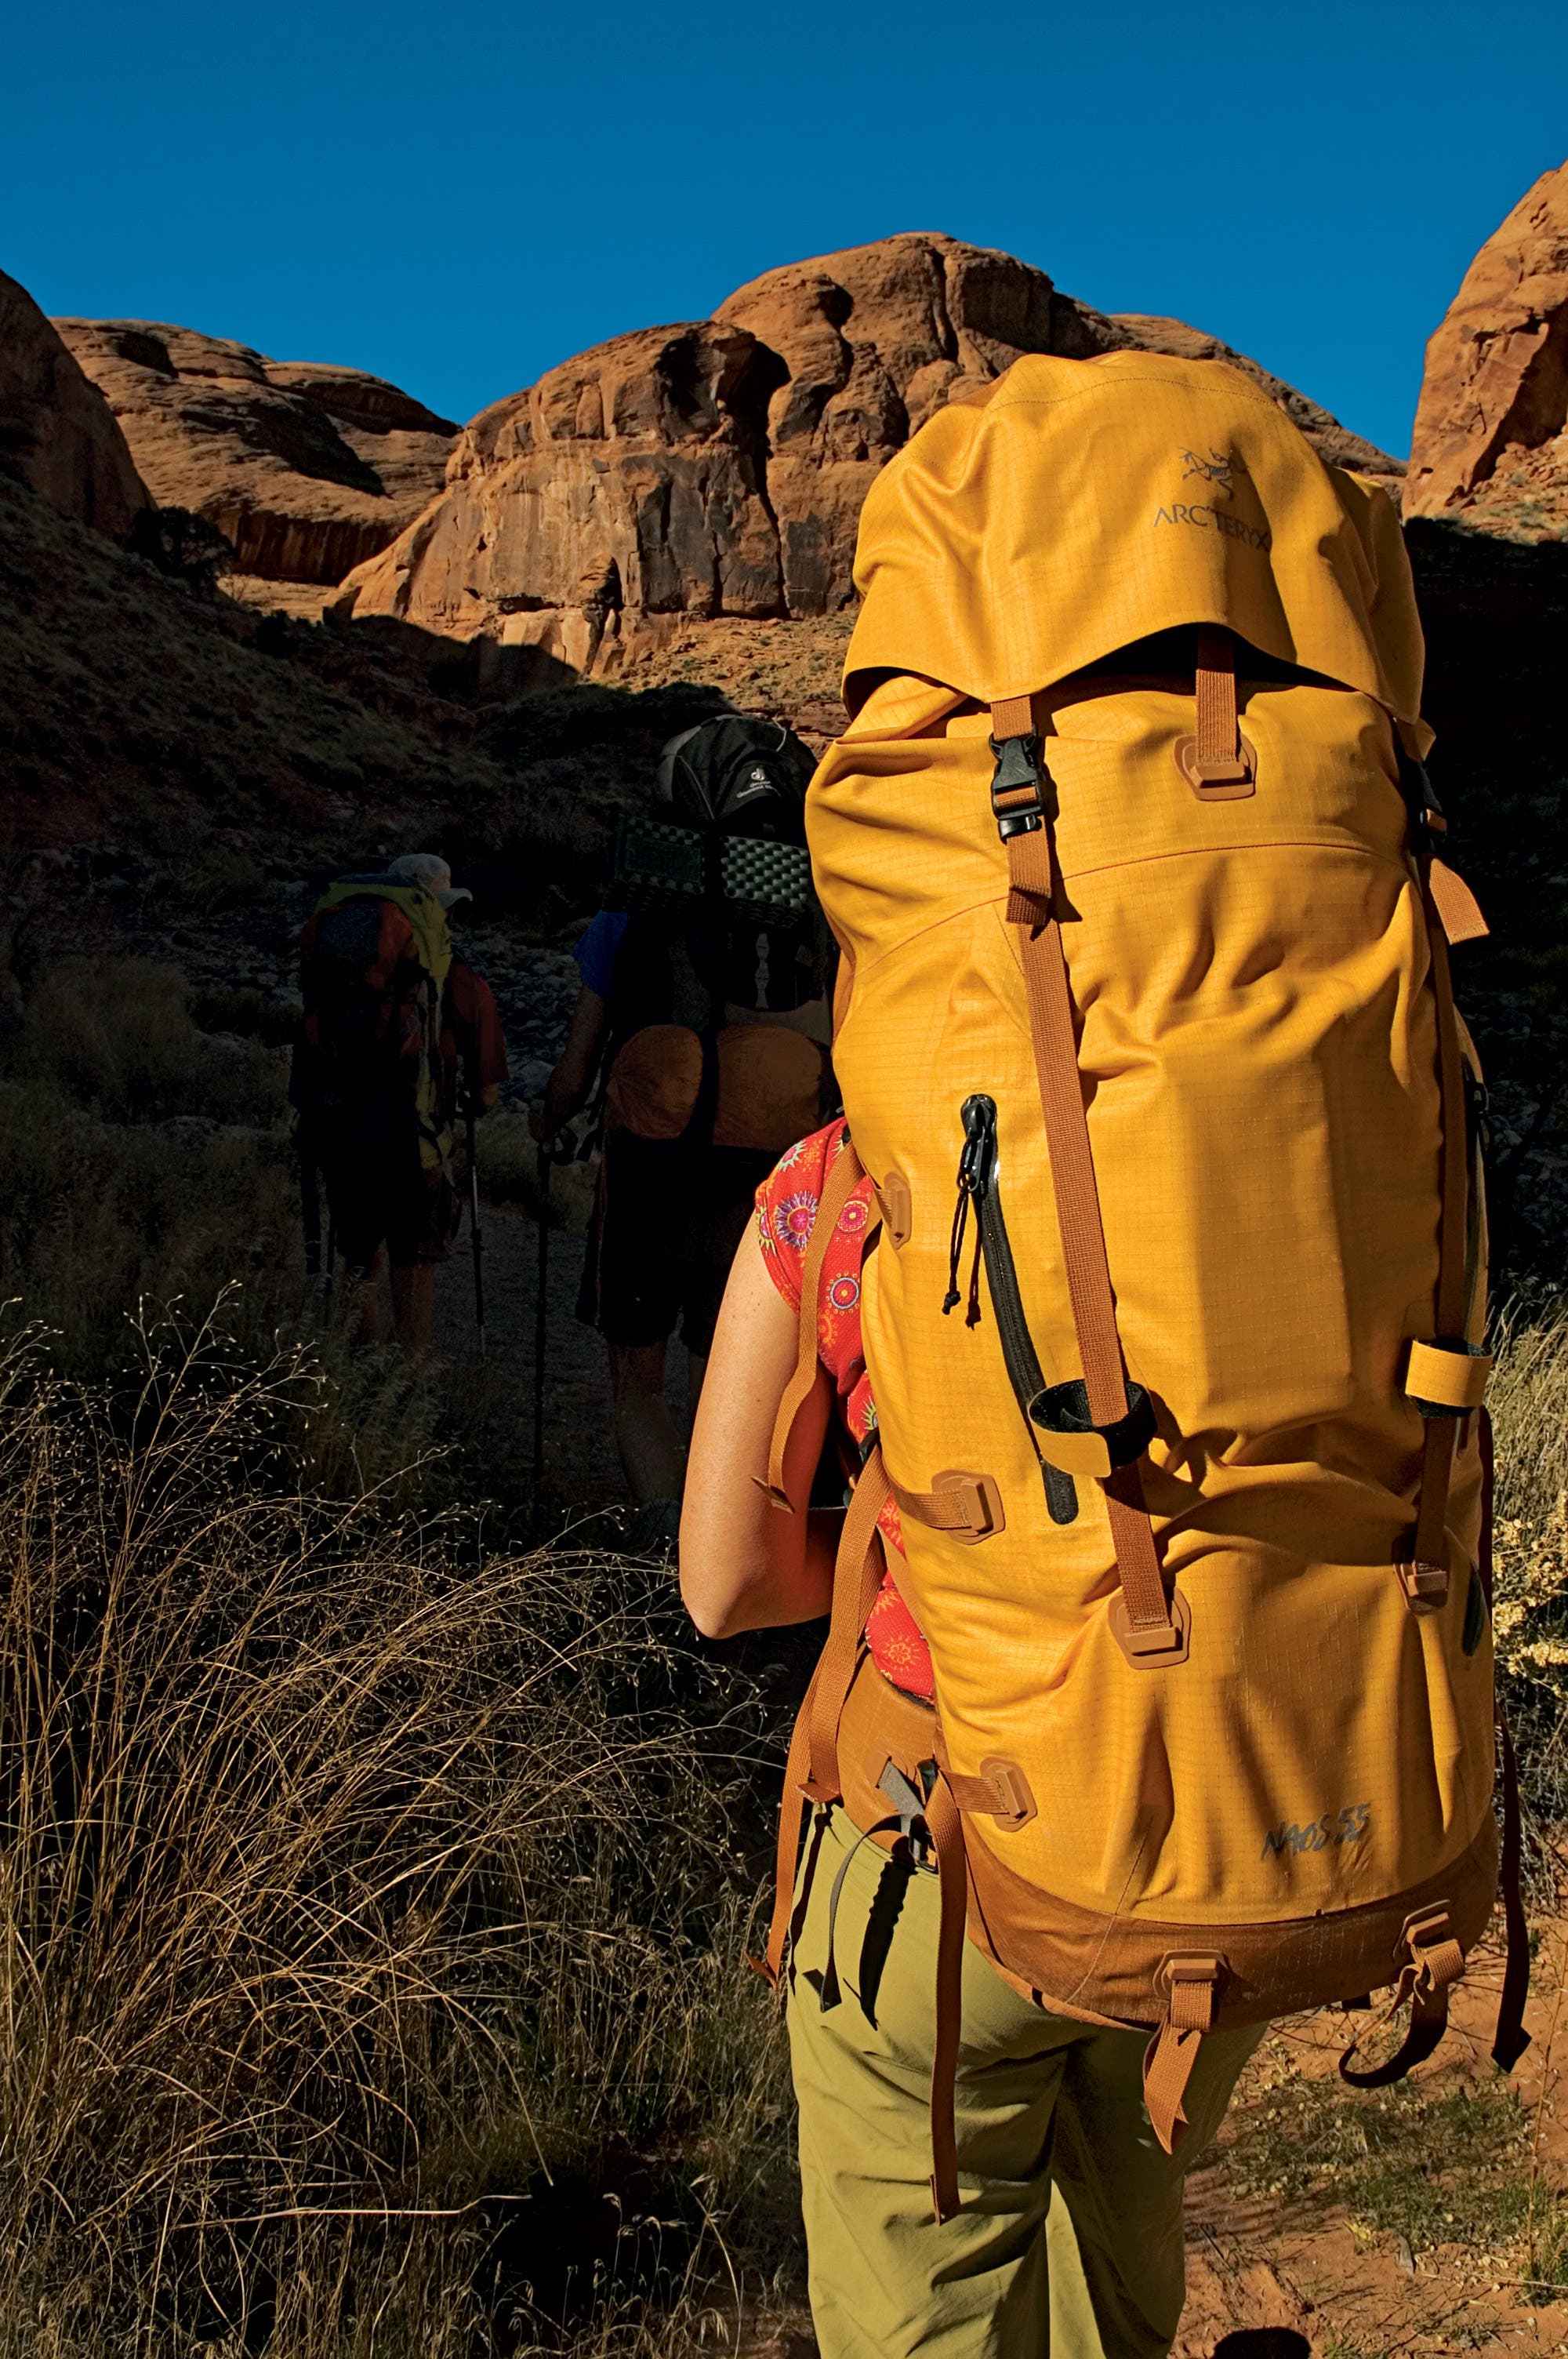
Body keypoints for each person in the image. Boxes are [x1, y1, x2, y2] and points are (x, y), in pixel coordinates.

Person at [681, 1118, 1261, 2359]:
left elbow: (724, 1582)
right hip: (1215, 1842)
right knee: (1115, 2296)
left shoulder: (841, 1175)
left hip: (938, 1859)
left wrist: (934, 1556)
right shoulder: (1263, 1117)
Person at [535, 717, 830, 1550]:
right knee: (727, 1373)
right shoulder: (819, 909)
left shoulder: (633, 904)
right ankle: (722, 1549)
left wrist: (547, 1118)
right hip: (772, 1179)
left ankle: (665, 1541)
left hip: (650, 1171)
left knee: (638, 1378)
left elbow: (576, 1065)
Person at [292, 851, 507, 1358]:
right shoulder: (461, 981)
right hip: (416, 1142)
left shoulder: (343, 966)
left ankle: (358, 1369)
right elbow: (487, 1093)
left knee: (358, 1258)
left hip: (342, 1130)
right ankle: (408, 1377)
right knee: (413, 1260)